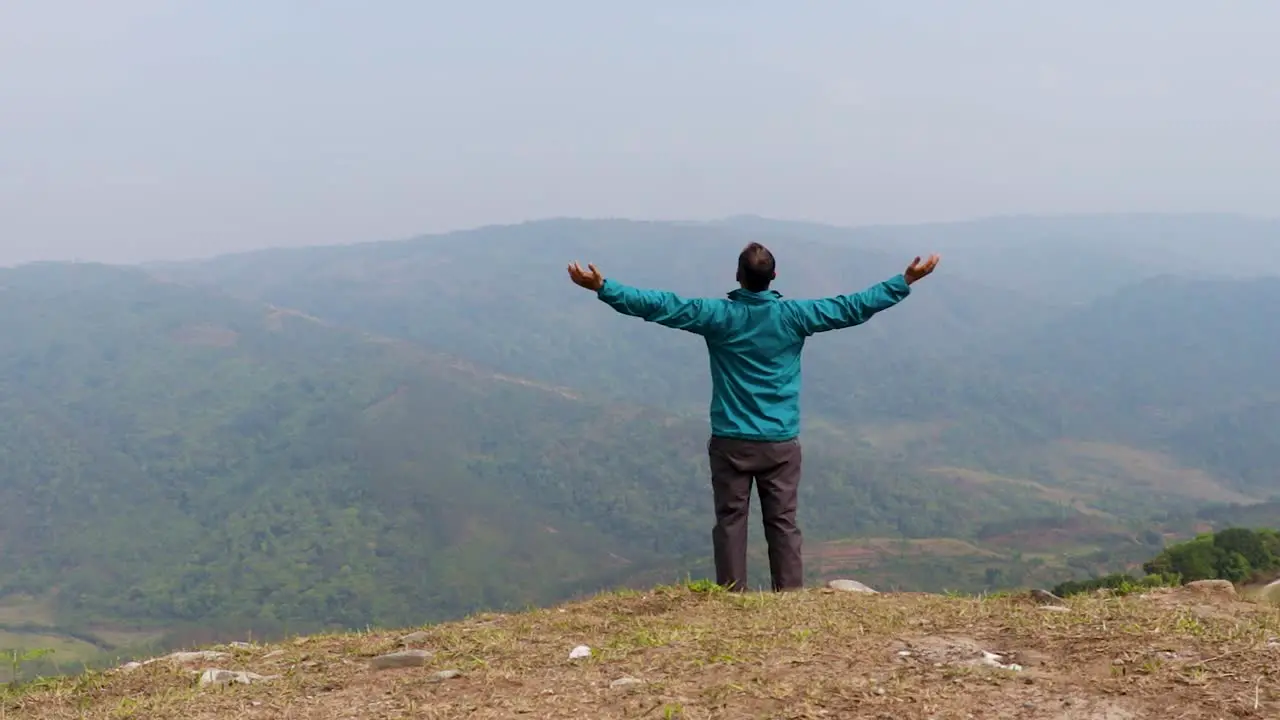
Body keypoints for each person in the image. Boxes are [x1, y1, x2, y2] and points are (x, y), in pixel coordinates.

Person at [567, 243, 940, 592]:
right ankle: (789, 596)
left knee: (730, 521)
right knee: (783, 524)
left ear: (737, 276)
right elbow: (851, 307)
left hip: (731, 440)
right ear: (774, 277)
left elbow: (661, 305)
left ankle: (732, 593)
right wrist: (904, 281)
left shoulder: (717, 316)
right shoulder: (795, 316)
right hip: (779, 442)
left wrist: (602, 286)